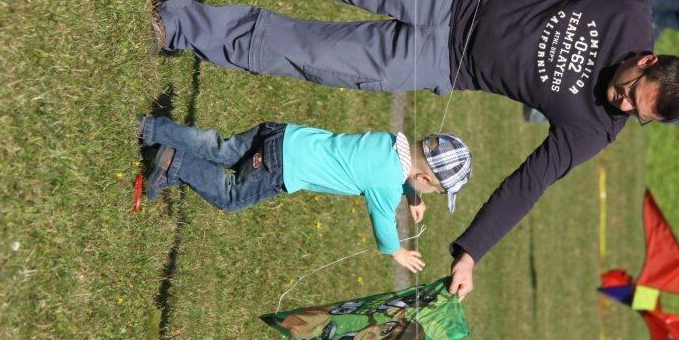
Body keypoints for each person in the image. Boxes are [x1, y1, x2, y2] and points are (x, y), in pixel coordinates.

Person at [146, 0, 679, 299]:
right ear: (646, 61)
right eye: (634, 94)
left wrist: (471, 253)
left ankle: (179, 28)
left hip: (439, 62)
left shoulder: (596, 128)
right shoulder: (630, 13)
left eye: (639, 115)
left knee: (306, 53)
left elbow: (528, 183)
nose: (625, 107)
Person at [139, 115, 472, 272]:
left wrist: (412, 194)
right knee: (230, 195)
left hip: (283, 135)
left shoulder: (391, 142)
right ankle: (175, 162)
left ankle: (154, 132)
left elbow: (392, 171)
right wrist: (394, 251)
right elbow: (383, 218)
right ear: (424, 177)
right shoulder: (386, 185)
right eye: (432, 189)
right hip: (283, 169)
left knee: (223, 150)